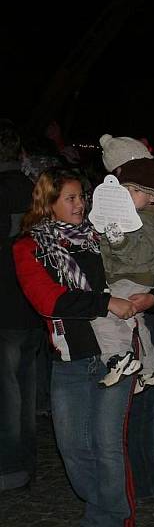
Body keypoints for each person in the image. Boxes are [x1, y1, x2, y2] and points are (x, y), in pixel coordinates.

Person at [13, 168, 152, 525]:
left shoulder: (103, 236)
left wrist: (148, 297)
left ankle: (111, 518)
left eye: (82, 197)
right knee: (73, 449)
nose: (80, 205)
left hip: (114, 356)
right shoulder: (29, 247)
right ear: (49, 203)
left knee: (107, 447)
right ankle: (101, 509)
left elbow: (139, 273)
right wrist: (104, 304)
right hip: (70, 360)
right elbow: (48, 301)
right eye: (70, 198)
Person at [93, 158, 154, 392]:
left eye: (135, 191)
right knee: (135, 321)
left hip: (133, 277)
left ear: (152, 196)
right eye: (124, 190)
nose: (128, 195)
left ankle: (117, 357)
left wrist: (118, 241)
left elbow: (140, 253)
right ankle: (149, 369)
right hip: (128, 277)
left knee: (103, 313)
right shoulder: (132, 217)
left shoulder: (151, 220)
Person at [0, 122, 39, 493]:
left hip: (6, 304)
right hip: (31, 303)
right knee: (25, 386)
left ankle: (10, 467)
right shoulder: (33, 189)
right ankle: (25, 461)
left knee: (7, 391)